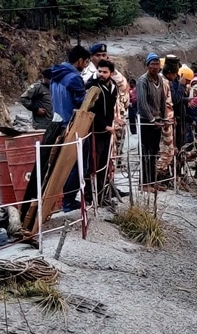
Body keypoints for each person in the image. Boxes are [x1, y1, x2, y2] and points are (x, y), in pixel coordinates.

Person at [52, 45, 91, 213]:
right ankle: (68, 200)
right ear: (80, 60)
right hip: (74, 125)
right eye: (86, 62)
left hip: (58, 124)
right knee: (79, 163)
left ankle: (62, 199)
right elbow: (81, 103)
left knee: (61, 164)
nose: (86, 65)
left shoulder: (56, 75)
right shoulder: (74, 78)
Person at [85, 60, 117, 206]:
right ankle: (90, 197)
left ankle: (102, 194)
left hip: (107, 132)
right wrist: (104, 126)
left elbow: (109, 109)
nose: (101, 74)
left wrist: (114, 120)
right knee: (93, 164)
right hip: (95, 131)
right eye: (100, 71)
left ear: (111, 73)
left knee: (104, 164)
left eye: (105, 72)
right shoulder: (92, 86)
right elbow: (90, 111)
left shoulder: (113, 87)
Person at [135, 53, 167, 191]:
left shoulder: (159, 79)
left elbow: (162, 100)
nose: (155, 67)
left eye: (157, 64)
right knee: (146, 152)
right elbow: (142, 103)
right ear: (147, 65)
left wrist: (164, 118)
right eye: (152, 64)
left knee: (154, 152)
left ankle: (153, 181)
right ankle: (144, 183)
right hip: (146, 122)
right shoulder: (142, 81)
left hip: (157, 121)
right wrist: (152, 119)